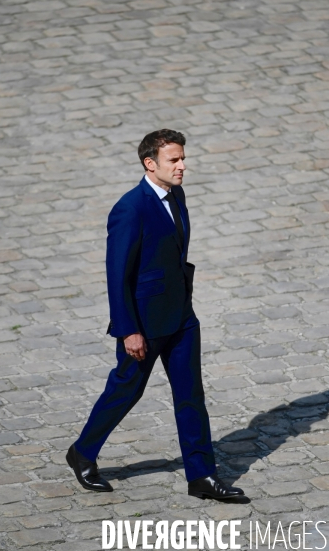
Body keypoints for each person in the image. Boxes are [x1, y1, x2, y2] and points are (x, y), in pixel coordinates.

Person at [66, 129, 245, 501]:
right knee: (125, 391)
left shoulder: (176, 194)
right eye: (174, 160)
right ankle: (82, 452)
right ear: (151, 164)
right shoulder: (130, 208)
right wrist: (128, 330)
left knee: (191, 396)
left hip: (181, 317)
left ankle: (202, 477)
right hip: (144, 325)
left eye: (183, 158)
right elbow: (118, 275)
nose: (182, 166)